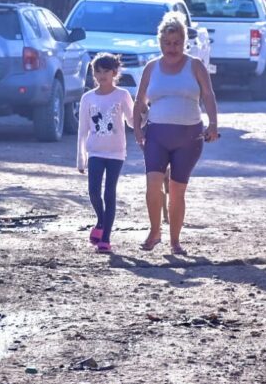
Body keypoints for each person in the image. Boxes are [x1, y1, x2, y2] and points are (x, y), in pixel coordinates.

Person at [133, 13, 219, 255]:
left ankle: (175, 240)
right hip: (157, 135)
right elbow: (140, 100)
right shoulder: (151, 67)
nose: (172, 48)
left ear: (184, 42)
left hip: (189, 138)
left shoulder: (195, 65)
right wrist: (138, 130)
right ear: (160, 43)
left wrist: (213, 124)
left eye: (177, 43)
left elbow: (209, 96)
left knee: (177, 190)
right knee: (152, 186)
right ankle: (154, 230)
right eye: (167, 43)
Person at [77, 53, 135, 253]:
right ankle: (100, 222)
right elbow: (82, 129)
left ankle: (106, 239)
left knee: (109, 193)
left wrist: (145, 114)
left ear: (114, 72)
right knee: (93, 191)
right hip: (95, 151)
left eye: (106, 71)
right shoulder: (88, 98)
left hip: (116, 153)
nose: (102, 75)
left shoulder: (122, 95)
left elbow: (132, 122)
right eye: (97, 71)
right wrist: (81, 158)